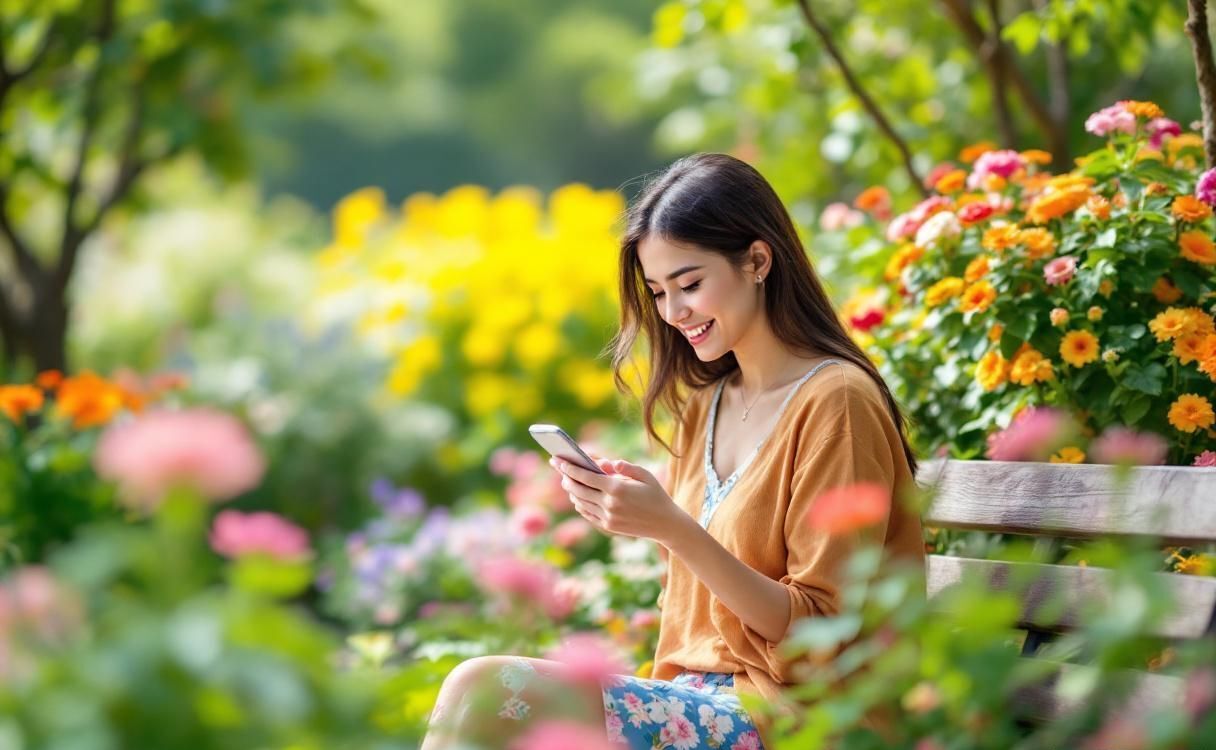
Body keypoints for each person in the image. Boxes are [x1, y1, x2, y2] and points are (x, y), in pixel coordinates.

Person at [420, 153, 925, 750]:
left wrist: (674, 528)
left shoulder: (836, 401)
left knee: (483, 686)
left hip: (799, 720)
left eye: (690, 284)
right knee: (485, 698)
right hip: (696, 705)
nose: (673, 312)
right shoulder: (703, 409)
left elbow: (823, 634)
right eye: (659, 292)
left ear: (758, 261)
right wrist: (649, 517)